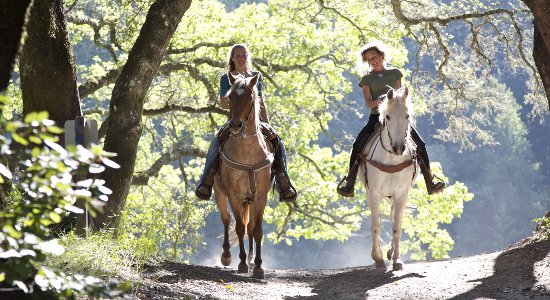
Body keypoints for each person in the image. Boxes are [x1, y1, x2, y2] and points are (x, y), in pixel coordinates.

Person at [337, 41, 445, 197]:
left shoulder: (395, 73)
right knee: (357, 145)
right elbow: (368, 104)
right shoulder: (367, 79)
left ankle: (430, 181)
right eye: (369, 59)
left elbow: (401, 96)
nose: (372, 60)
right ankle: (350, 183)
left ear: (381, 55)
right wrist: (380, 102)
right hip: (377, 117)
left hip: (397, 117)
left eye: (374, 56)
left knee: (420, 144)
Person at [195, 44, 297, 203]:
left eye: (244, 55)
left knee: (278, 142)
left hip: (256, 121)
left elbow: (261, 102)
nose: (241, 58)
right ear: (232, 58)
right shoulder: (226, 77)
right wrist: (239, 100)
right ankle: (206, 181)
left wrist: (268, 124)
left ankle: (283, 181)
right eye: (237, 55)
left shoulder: (256, 76)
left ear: (247, 57)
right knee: (216, 142)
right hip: (235, 120)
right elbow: (223, 103)